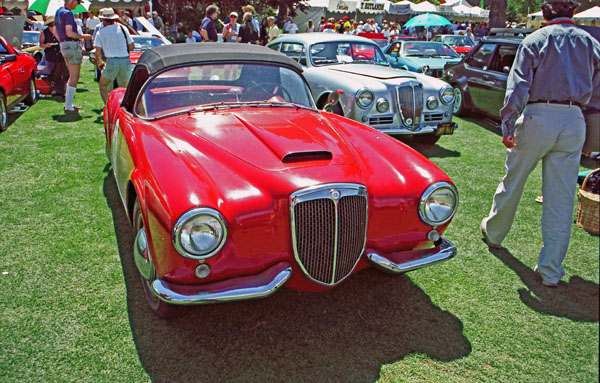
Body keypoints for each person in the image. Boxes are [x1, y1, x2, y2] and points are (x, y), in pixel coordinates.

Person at [480, 0, 600, 287]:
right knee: (560, 199)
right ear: (572, 13)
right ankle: (550, 271)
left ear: (545, 15)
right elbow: (597, 92)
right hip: (574, 118)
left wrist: (508, 124)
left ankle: (494, 233)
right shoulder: (590, 42)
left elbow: (518, 84)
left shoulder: (536, 39)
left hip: (539, 114)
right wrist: (591, 136)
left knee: (514, 180)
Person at [55, 0, 92, 114]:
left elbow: (56, 31)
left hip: (63, 45)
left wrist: (62, 42)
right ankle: (69, 106)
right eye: (77, 2)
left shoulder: (58, 12)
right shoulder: (68, 13)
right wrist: (83, 36)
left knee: (71, 76)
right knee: (74, 77)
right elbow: (69, 32)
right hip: (71, 44)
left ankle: (68, 104)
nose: (77, 5)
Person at [93, 8, 134, 104]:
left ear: (103, 20)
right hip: (125, 61)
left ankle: (109, 108)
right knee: (125, 88)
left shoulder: (101, 32)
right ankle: (125, 108)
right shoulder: (123, 28)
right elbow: (132, 46)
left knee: (103, 86)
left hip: (111, 61)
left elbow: (97, 52)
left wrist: (100, 62)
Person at [39, 17, 67, 96]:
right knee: (51, 73)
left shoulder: (59, 32)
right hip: (50, 54)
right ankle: (53, 88)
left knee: (62, 72)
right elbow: (41, 45)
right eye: (51, 24)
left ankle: (61, 89)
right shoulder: (44, 32)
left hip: (60, 54)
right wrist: (46, 45)